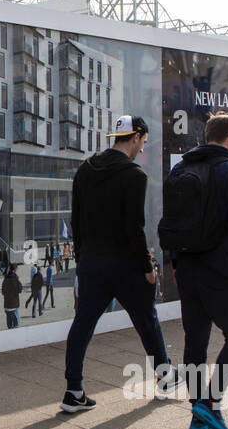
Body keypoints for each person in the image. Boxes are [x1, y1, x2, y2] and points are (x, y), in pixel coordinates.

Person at [62, 115, 176, 413]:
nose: (142, 149)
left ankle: (73, 391)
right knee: (147, 320)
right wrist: (148, 267)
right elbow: (134, 228)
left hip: (92, 263)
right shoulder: (134, 175)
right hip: (125, 264)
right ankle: (165, 379)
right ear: (135, 138)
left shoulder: (85, 169)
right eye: (143, 143)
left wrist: (81, 257)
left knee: (82, 325)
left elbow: (75, 220)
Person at [162, 113, 228, 429]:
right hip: (219, 271)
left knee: (196, 340)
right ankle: (210, 401)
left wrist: (176, 266)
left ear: (208, 136)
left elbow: (173, 223)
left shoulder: (180, 169)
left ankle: (198, 413)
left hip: (187, 270)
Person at [1, 264, 22, 329]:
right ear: (15, 269)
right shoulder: (15, 278)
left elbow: (3, 291)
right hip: (14, 305)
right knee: (16, 326)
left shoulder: (5, 278)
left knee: (9, 327)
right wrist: (18, 280)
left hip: (7, 305)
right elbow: (20, 289)